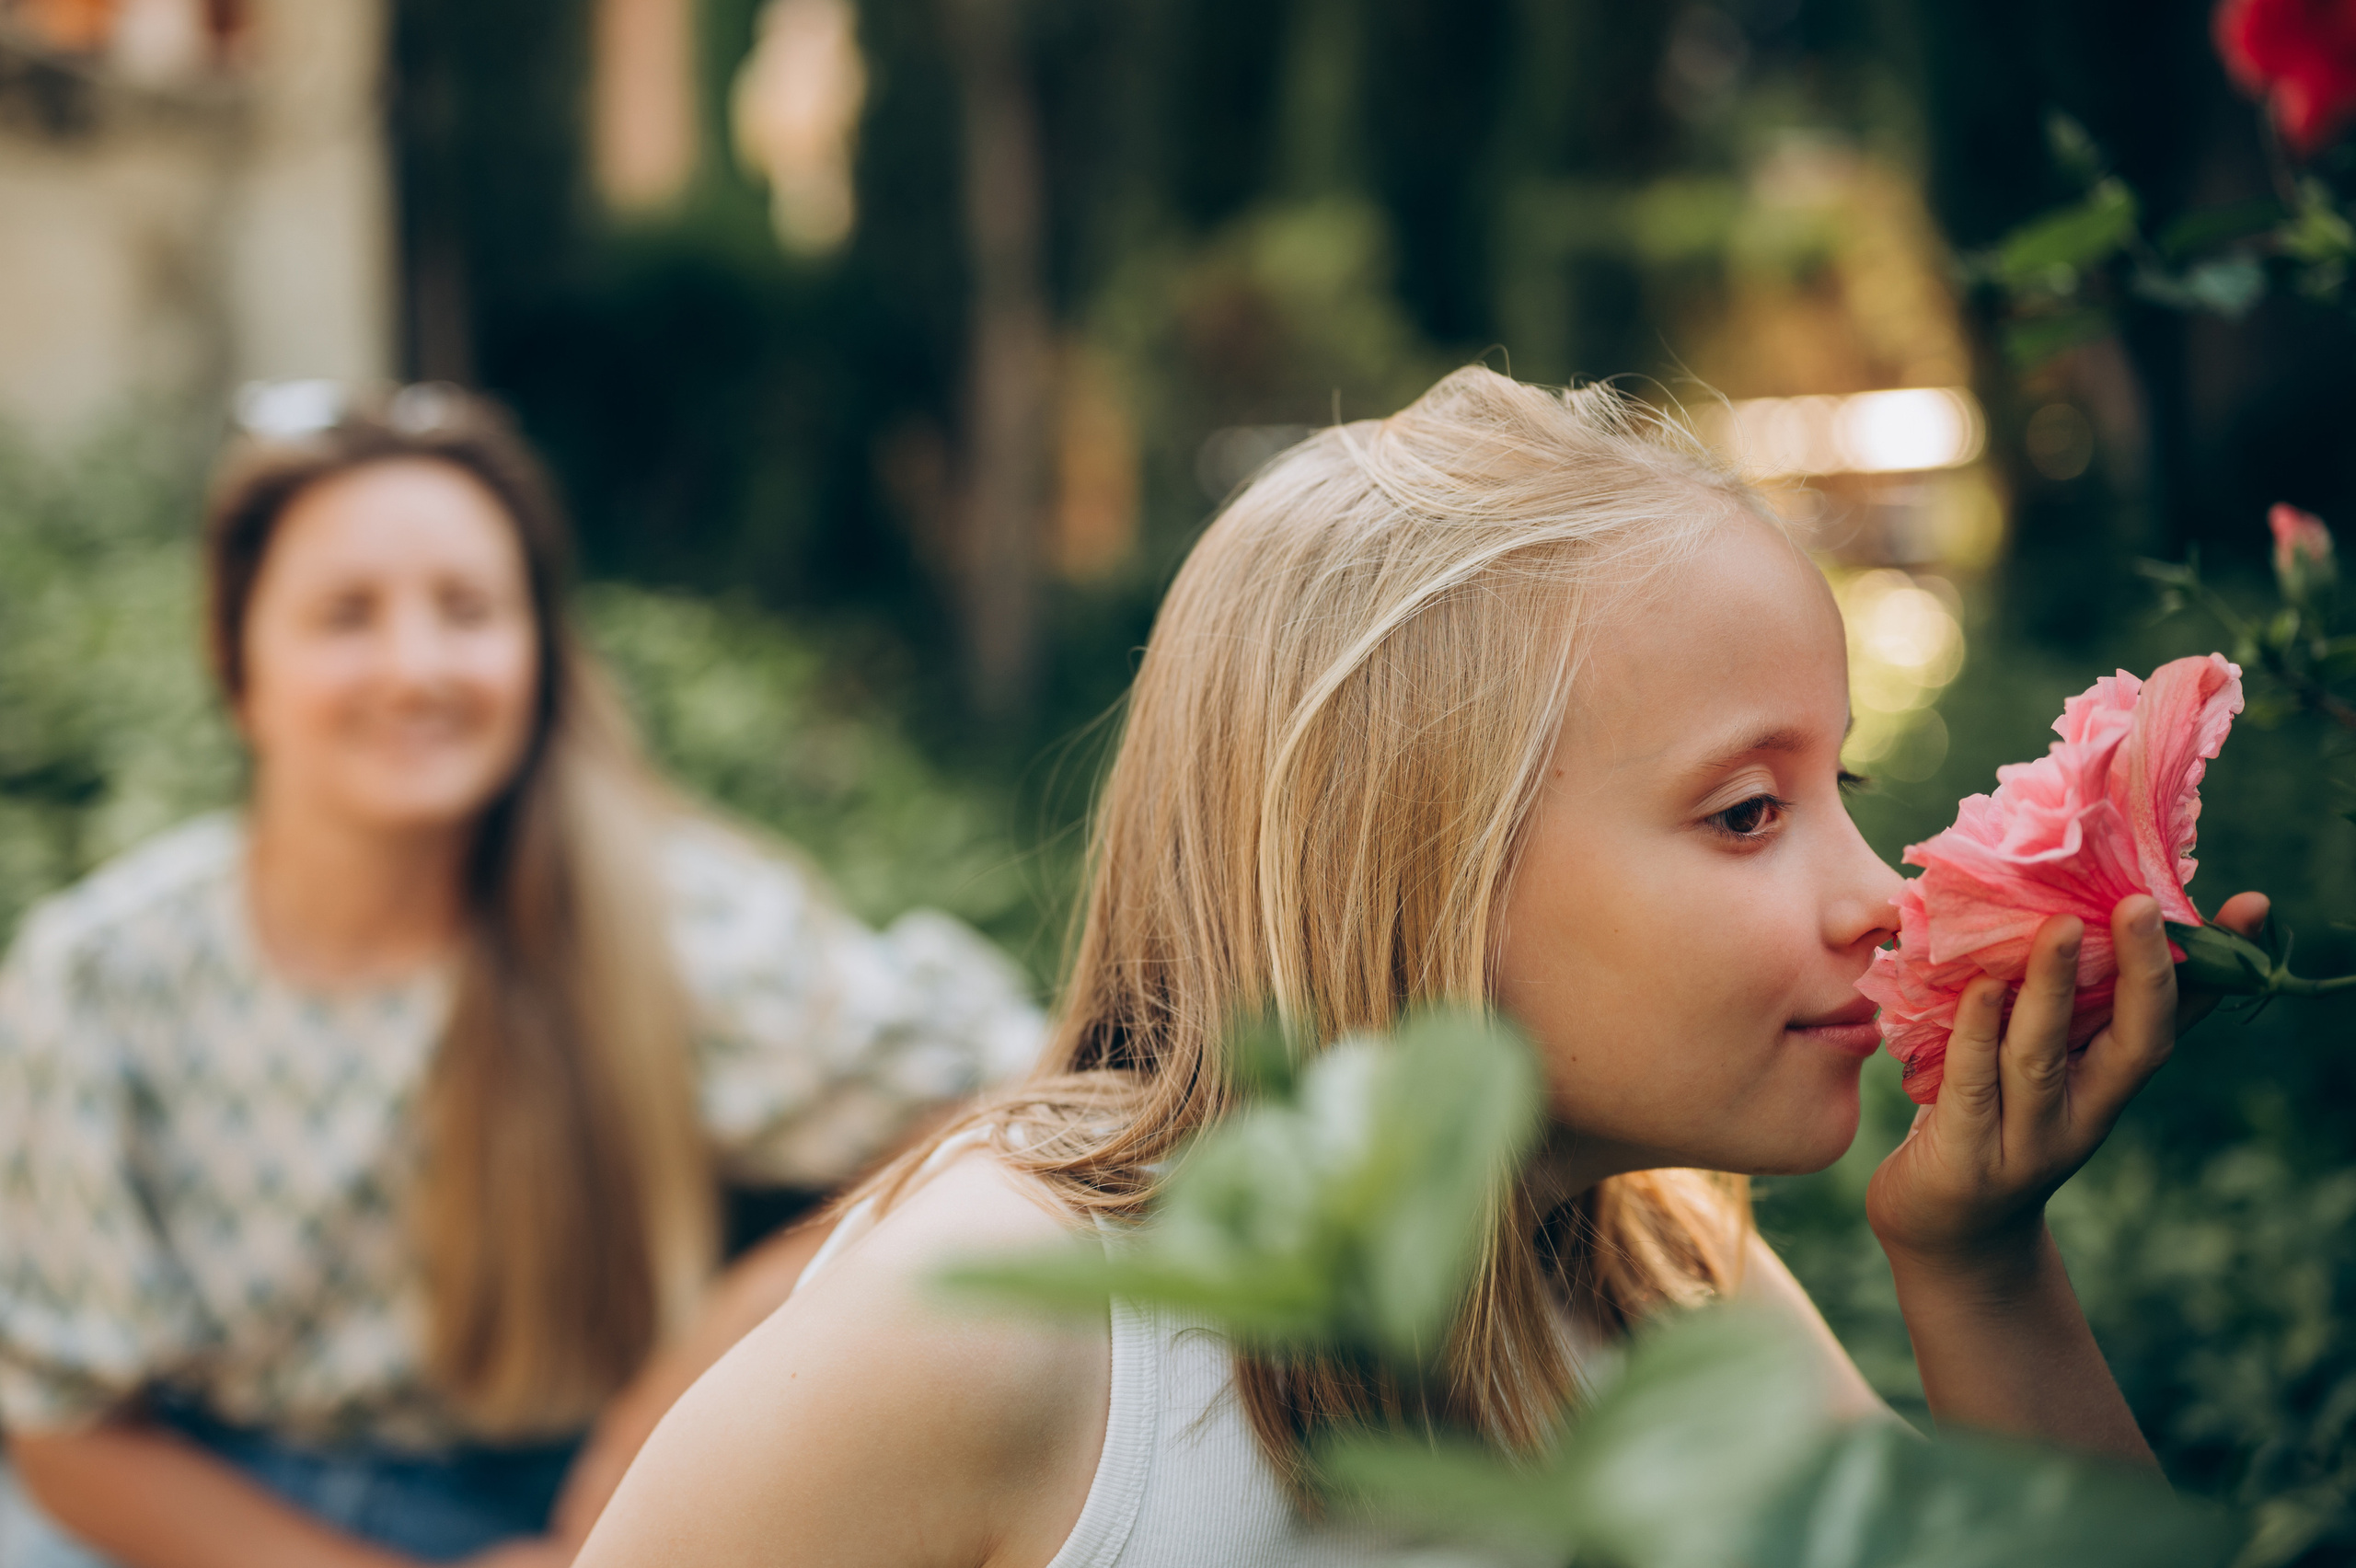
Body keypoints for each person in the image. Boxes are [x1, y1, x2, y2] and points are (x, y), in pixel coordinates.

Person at [578, 366, 2272, 1568]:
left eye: (1851, 790)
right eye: (1750, 809)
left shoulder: (1665, 1282)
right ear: (1413, 869)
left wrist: (1975, 1268)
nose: (1878, 896)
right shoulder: (1016, 1322)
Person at [0, 385, 1044, 1567]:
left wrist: (719, 1344)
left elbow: (1021, 1098)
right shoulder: (99, 979)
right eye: (347, 614)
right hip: (221, 1515)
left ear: (539, 651)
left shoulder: (664, 921)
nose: (416, 667)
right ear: (235, 659)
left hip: (591, 1508)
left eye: (469, 610)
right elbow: (70, 1439)